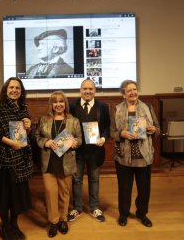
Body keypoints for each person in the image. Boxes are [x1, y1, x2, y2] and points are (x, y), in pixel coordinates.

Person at [0, 77, 34, 240]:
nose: (14, 90)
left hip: (21, 159)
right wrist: (11, 142)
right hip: (4, 160)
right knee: (4, 196)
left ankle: (14, 224)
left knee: (17, 196)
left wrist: (29, 127)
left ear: (21, 91)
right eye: (11, 87)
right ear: (6, 90)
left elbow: (26, 135)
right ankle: (5, 226)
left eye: (17, 88)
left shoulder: (24, 108)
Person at [110, 79, 160, 228]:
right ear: (123, 94)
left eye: (135, 89)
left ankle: (142, 213)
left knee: (144, 189)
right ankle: (123, 214)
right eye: (129, 90)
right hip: (123, 157)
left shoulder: (148, 107)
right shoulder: (117, 109)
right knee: (124, 188)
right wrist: (122, 133)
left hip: (143, 155)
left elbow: (157, 128)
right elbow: (112, 132)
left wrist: (153, 129)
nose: (133, 92)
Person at [35, 91, 82, 238]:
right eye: (55, 102)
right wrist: (45, 142)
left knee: (64, 193)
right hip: (48, 161)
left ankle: (63, 219)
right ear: (51, 104)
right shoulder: (44, 120)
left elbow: (80, 138)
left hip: (66, 162)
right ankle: (53, 221)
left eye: (61, 101)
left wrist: (76, 143)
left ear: (65, 104)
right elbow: (37, 137)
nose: (58, 104)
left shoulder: (73, 120)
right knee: (50, 192)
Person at [67, 78, 110, 222]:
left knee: (94, 180)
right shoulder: (72, 106)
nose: (87, 91)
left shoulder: (103, 107)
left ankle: (94, 207)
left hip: (95, 151)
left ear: (94, 91)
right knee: (76, 180)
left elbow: (107, 128)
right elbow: (67, 127)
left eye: (90, 89)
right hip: (77, 151)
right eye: (84, 88)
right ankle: (77, 208)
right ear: (80, 90)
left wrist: (103, 138)